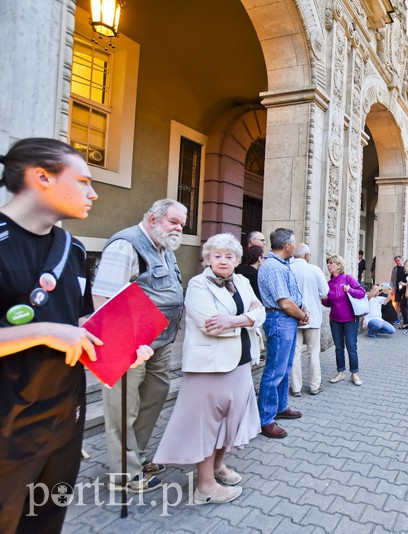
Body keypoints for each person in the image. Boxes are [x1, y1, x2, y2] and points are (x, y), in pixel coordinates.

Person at [0, 139, 144, 530]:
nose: (93, 193)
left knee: (46, 520)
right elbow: (55, 329)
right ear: (41, 177)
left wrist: (121, 345)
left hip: (63, 418)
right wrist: (43, 331)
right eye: (82, 181)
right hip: (8, 425)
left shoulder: (73, 248)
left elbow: (77, 323)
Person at [153, 233, 264, 504]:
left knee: (231, 419)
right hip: (209, 367)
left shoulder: (241, 281)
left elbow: (260, 311)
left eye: (229, 256)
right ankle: (205, 487)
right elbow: (209, 324)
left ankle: (217, 465)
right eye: (217, 255)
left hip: (239, 362)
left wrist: (236, 320)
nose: (223, 260)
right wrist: (245, 320)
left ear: (237, 260)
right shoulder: (197, 284)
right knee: (206, 424)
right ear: (207, 258)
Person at [93, 198, 187, 492]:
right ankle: (124, 475)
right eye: (173, 222)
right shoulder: (126, 245)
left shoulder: (165, 248)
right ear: (152, 218)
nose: (178, 229)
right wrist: (123, 346)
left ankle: (136, 457)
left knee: (154, 397)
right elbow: (104, 299)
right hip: (130, 344)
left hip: (160, 341)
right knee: (123, 409)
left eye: (181, 225)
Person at [257, 228, 309, 439]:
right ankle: (265, 418)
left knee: (285, 368)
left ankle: (280, 406)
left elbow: (291, 298)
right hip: (279, 320)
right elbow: (285, 302)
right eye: (294, 243)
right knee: (275, 371)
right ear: (287, 246)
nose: (295, 246)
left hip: (286, 319)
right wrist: (301, 316)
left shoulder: (281, 265)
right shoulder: (273, 267)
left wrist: (302, 309)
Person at [289, 243, 329, 396]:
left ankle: (296, 387)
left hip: (293, 316)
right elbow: (325, 291)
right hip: (313, 317)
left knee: (295, 353)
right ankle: (314, 385)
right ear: (306, 256)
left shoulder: (289, 269)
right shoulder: (314, 270)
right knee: (313, 353)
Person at [323, 254, 366, 385]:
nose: (329, 265)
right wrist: (323, 299)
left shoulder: (348, 279)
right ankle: (340, 372)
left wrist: (350, 290)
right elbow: (329, 303)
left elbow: (362, 293)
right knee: (338, 347)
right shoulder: (328, 283)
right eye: (328, 263)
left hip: (350, 320)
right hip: (335, 320)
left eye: (331, 263)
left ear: (339, 266)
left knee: (351, 346)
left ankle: (354, 373)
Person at [390, 256, 408, 327]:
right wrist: (392, 287)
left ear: (402, 260)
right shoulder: (394, 269)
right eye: (396, 261)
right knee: (396, 303)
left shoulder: (406, 268)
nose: (397, 262)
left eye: (398, 260)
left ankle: (406, 319)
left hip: (405, 288)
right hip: (397, 288)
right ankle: (396, 318)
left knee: (404, 304)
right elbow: (392, 279)